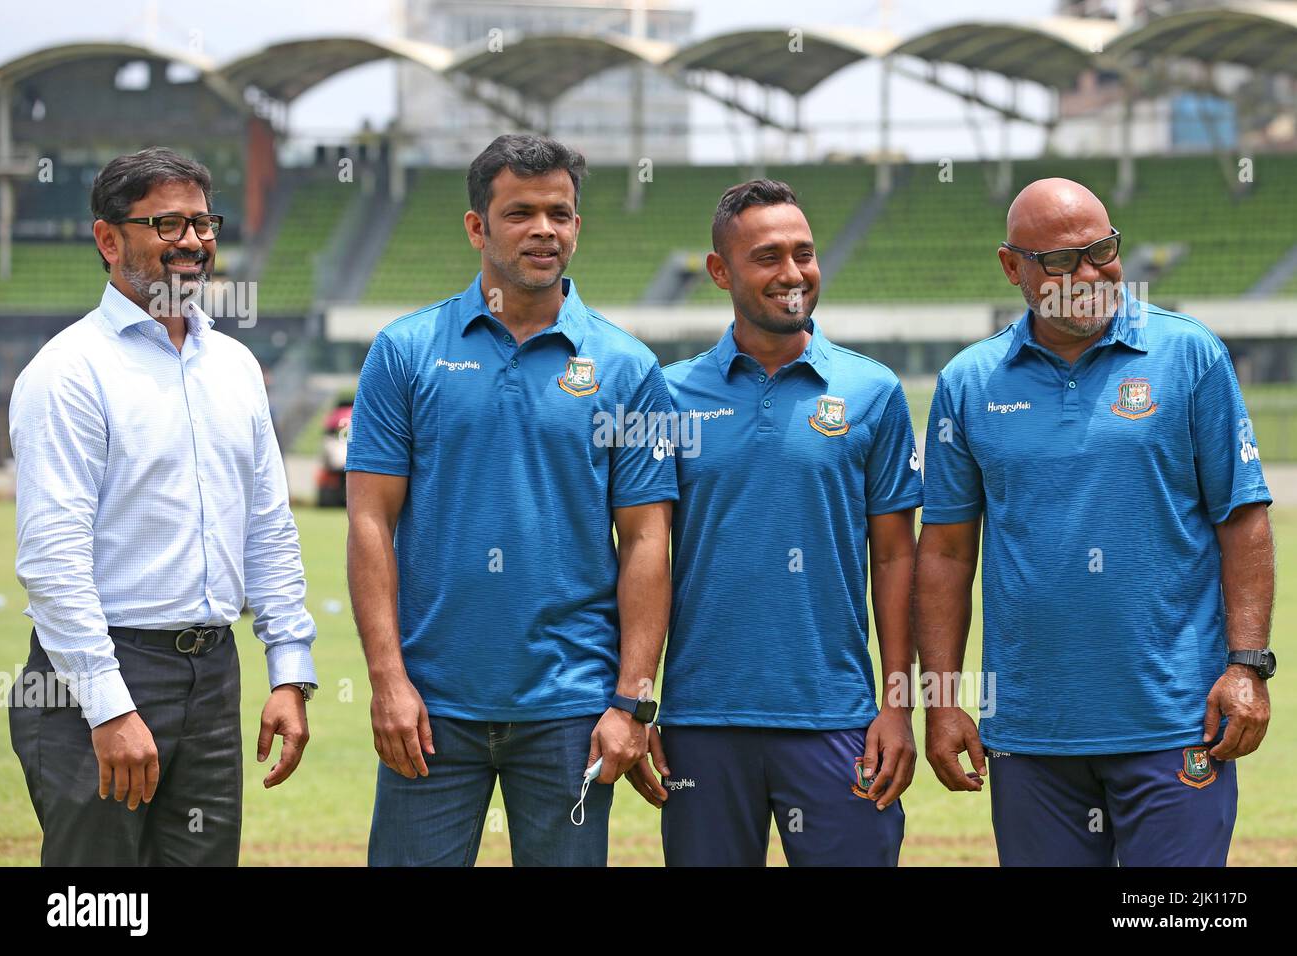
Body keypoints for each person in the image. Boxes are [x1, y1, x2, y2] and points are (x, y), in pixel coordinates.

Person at [915, 177, 1275, 866]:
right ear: (1011, 266)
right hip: (1030, 734)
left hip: (1177, 723)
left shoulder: (1190, 357)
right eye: (1058, 262)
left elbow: (1243, 520)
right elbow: (948, 552)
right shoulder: (969, 383)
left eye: (1101, 250)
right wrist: (941, 700)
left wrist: (1248, 666)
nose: (1088, 274)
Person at [346, 133, 677, 867]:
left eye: (559, 213)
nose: (544, 230)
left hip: (570, 709)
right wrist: (388, 681)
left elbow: (648, 540)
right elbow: (370, 520)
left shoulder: (629, 367)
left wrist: (632, 701)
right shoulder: (404, 351)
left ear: (578, 226)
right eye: (520, 211)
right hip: (430, 707)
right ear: (477, 227)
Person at [7, 147, 318, 866]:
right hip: (100, 671)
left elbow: (268, 529)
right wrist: (109, 706)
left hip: (211, 677)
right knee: (99, 907)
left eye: (203, 223)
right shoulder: (68, 373)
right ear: (109, 239)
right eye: (167, 223)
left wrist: (289, 669)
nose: (192, 241)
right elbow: (53, 564)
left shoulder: (235, 368)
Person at [628, 179, 922, 866]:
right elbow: (644, 554)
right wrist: (639, 702)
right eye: (768, 257)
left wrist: (899, 705)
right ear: (720, 272)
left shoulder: (872, 392)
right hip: (701, 724)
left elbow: (896, 559)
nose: (793, 274)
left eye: (804, 253)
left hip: (838, 723)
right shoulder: (665, 396)